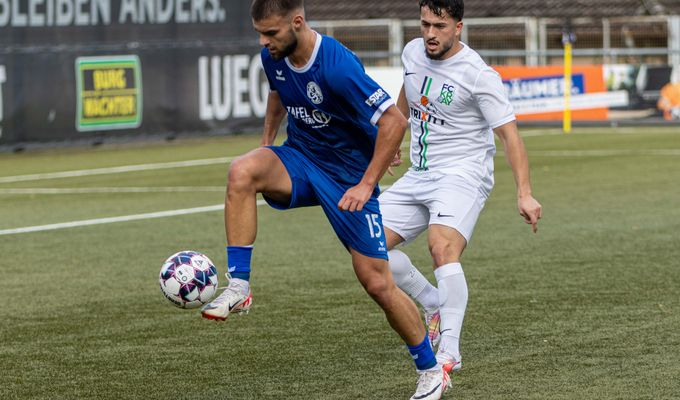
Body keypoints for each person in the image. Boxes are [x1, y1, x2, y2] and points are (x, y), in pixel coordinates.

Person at [201, 1, 450, 398]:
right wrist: (265, 149)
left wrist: (366, 184)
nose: (264, 43)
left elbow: (394, 121)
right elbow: (277, 95)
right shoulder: (274, 56)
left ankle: (431, 369)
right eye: (259, 34)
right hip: (301, 159)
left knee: (376, 282)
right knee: (241, 171)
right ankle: (239, 286)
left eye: (271, 34)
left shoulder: (336, 66)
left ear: (297, 22)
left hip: (348, 177)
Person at [380, 0, 543, 375]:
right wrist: (393, 144)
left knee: (441, 247)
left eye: (439, 26)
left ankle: (449, 351)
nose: (430, 34)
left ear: (458, 27)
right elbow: (406, 98)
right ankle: (433, 302)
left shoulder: (478, 74)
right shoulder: (411, 53)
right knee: (366, 248)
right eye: (425, 25)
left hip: (462, 174)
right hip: (419, 174)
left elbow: (509, 136)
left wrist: (524, 192)